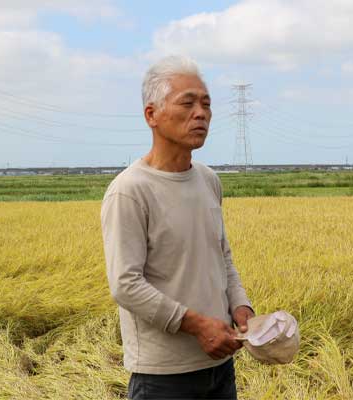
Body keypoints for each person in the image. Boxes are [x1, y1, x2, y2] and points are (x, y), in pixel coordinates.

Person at [101, 55, 255, 400]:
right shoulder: (130, 190)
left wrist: (242, 309)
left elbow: (222, 257)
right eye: (187, 103)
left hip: (220, 365)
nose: (200, 113)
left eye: (206, 104)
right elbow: (125, 285)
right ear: (151, 115)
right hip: (164, 376)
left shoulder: (208, 180)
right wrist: (199, 326)